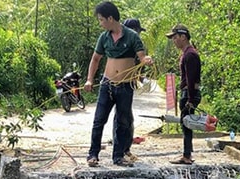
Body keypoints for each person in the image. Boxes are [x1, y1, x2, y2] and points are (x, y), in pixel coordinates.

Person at [84, 1, 153, 168]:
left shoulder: (131, 36)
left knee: (122, 121)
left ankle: (118, 156)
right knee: (99, 120)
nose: (100, 23)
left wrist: (146, 60)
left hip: (125, 86)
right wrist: (89, 79)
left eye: (101, 19)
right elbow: (95, 59)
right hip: (107, 84)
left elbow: (142, 57)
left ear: (110, 18)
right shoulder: (104, 37)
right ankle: (93, 154)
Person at [166, 24, 201, 165]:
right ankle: (187, 153)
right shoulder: (188, 53)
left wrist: (190, 99)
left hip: (189, 93)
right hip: (188, 92)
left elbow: (191, 79)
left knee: (186, 124)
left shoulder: (190, 55)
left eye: (175, 37)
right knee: (186, 124)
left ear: (183, 37)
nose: (174, 40)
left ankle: (186, 156)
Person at [120, 17, 147, 162]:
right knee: (122, 119)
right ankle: (121, 152)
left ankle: (125, 149)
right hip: (119, 86)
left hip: (128, 86)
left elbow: (136, 69)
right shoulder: (121, 45)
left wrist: (142, 78)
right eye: (138, 31)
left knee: (127, 119)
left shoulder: (134, 46)